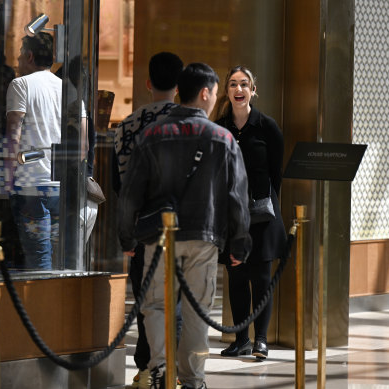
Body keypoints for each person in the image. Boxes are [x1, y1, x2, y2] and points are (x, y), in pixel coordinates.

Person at [118, 63, 252, 389]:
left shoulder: (152, 134)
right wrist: (240, 243)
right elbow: (237, 196)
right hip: (203, 237)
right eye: (217, 93)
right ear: (205, 93)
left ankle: (160, 372)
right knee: (197, 310)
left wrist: (127, 237)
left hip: (158, 237)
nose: (215, 100)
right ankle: (193, 380)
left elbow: (131, 193)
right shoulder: (223, 138)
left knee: (155, 306)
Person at [113, 51, 184, 389]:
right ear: (179, 84)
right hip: (183, 226)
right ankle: (170, 371)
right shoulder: (191, 124)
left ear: (147, 82)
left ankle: (147, 370)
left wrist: (126, 233)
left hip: (142, 225)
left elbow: (119, 185)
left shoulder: (127, 126)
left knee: (145, 301)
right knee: (176, 300)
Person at [214, 65, 287, 360]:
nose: (239, 89)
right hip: (232, 215)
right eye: (233, 84)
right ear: (227, 91)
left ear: (253, 91)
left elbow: (275, 173)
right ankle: (241, 338)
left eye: (244, 84)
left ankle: (261, 340)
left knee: (260, 277)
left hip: (262, 213)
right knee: (236, 276)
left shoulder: (267, 126)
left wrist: (265, 203)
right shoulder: (220, 127)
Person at [5, 32, 62, 270]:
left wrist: (7, 178)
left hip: (31, 187)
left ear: (29, 56)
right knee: (61, 259)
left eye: (19, 55)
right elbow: (83, 142)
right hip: (61, 188)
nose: (17, 61)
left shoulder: (20, 85)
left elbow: (13, 134)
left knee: (38, 259)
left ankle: (41, 307)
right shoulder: (66, 88)